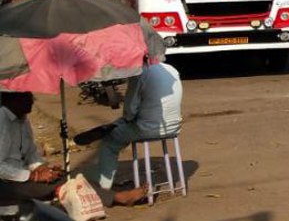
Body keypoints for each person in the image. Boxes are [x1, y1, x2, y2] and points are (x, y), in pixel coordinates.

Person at [78, 59, 182, 207]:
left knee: (109, 142)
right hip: (174, 125)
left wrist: (125, 120)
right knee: (121, 124)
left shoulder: (140, 73)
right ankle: (113, 126)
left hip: (147, 128)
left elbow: (130, 110)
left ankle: (104, 184)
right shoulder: (171, 69)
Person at [0, 92, 63, 208]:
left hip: (21, 178)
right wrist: (33, 176)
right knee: (59, 185)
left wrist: (43, 169)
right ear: (12, 100)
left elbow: (31, 153)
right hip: (7, 182)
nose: (32, 100)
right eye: (27, 97)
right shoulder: (2, 120)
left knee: (65, 177)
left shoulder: (23, 120)